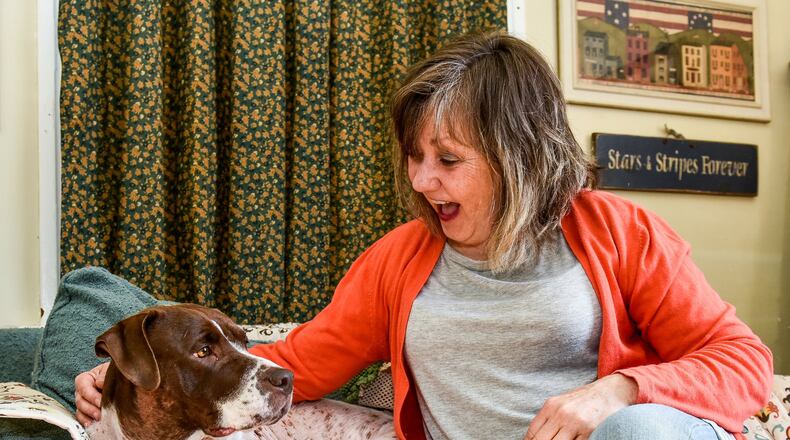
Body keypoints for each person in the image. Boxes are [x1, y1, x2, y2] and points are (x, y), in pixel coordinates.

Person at [76, 31, 773, 440]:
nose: (421, 179)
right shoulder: (398, 260)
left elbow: (745, 363)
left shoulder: (619, 232)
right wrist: (125, 376)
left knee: (636, 430)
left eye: (448, 160)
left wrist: (617, 390)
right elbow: (299, 361)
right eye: (414, 156)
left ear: (519, 154)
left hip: (634, 432)